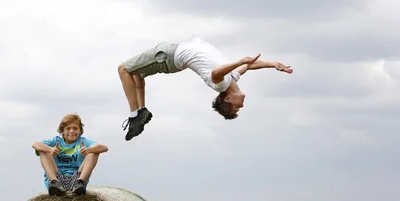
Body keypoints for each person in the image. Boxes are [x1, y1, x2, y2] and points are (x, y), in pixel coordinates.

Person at [118, 34, 293, 140]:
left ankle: (135, 115)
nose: (242, 106)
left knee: (123, 69)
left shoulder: (221, 84)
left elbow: (216, 72)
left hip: (168, 55)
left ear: (228, 99)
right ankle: (141, 109)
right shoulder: (232, 79)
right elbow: (249, 66)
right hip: (170, 60)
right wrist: (273, 64)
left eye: (236, 108)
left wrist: (240, 60)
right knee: (136, 73)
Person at [32, 113, 109, 196]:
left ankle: (80, 183)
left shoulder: (83, 142)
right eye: (68, 128)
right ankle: (54, 182)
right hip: (57, 178)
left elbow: (104, 148)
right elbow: (35, 144)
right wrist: (50, 149)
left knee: (93, 152)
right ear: (62, 132)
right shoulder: (56, 141)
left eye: (75, 128)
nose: (71, 131)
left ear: (80, 131)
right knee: (43, 151)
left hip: (77, 178)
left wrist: (88, 150)